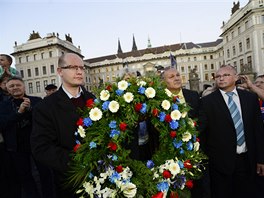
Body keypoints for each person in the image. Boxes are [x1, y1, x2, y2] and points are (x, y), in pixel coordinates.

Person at [31, 53, 95, 198]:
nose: (79, 71)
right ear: (60, 71)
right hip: (70, 180)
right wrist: (79, 162)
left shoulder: (94, 99)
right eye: (73, 67)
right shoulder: (45, 107)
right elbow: (41, 148)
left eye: (81, 67)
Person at [199, 65, 264, 198]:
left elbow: (258, 130)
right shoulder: (207, 102)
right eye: (217, 76)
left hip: (247, 161)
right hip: (220, 165)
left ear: (236, 77)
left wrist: (261, 159)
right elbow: (203, 133)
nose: (221, 78)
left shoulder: (250, 98)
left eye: (225, 75)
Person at [161, 67, 207, 198]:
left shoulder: (192, 95)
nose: (176, 78)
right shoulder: (158, 99)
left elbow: (202, 117)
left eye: (177, 75)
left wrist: (192, 134)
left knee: (198, 188)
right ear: (164, 82)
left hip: (195, 150)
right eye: (171, 77)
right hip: (169, 153)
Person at [0, 77, 42, 198]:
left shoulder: (37, 101)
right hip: (16, 148)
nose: (15, 88)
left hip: (37, 145)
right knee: (25, 177)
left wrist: (30, 109)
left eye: (18, 85)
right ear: (7, 89)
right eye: (11, 86)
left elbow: (44, 120)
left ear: (24, 86)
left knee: (45, 174)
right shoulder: (3, 106)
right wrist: (19, 113)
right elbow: (2, 124)